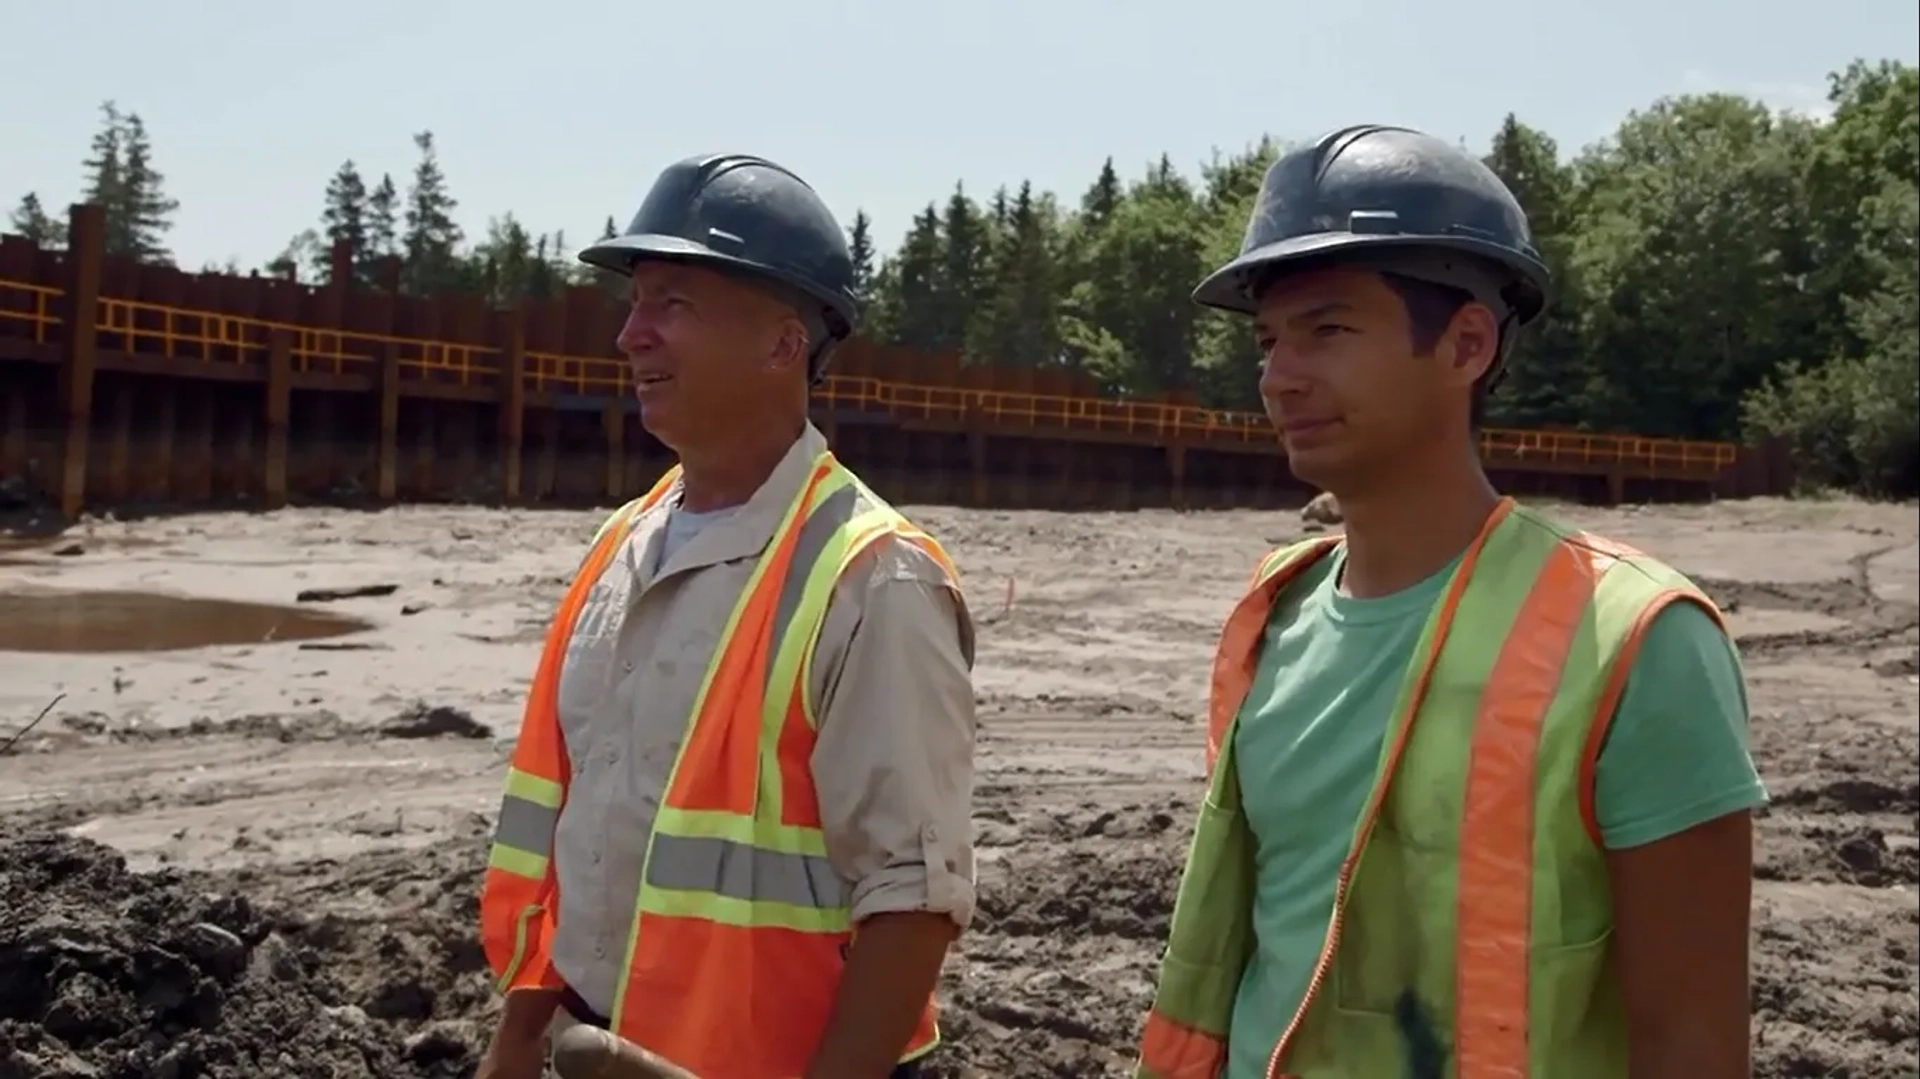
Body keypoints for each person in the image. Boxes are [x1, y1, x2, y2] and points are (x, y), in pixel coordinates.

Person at [1135, 125, 1764, 1079]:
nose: (1278, 374)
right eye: (1269, 339)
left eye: (1328, 330)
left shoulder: (1638, 638)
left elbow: (1692, 1042)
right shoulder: (1276, 616)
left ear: (1467, 342)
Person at [475, 154, 978, 1079]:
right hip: (588, 1047)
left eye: (671, 303)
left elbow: (912, 895)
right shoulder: (620, 547)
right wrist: (514, 1044)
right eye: (633, 304)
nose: (630, 335)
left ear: (783, 344)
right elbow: (577, 838)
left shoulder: (874, 578)